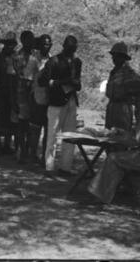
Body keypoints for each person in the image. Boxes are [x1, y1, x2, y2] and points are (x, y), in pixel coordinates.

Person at [87, 79, 140, 204]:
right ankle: (127, 189)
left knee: (114, 158)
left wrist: (114, 137)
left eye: (134, 98)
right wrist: (122, 133)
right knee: (122, 155)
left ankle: (99, 197)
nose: (132, 102)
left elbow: (138, 140)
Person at [38, 35, 82, 177]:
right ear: (64, 46)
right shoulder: (54, 61)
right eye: (70, 47)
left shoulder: (77, 62)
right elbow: (42, 80)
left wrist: (74, 83)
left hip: (71, 100)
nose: (72, 50)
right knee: (52, 135)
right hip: (56, 101)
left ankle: (65, 167)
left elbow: (78, 83)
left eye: (74, 48)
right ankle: (49, 166)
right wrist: (60, 82)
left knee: (70, 136)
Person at [0, 31, 19, 155]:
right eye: (8, 44)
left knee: (10, 119)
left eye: (12, 44)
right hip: (0, 91)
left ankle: (7, 144)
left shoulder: (17, 58)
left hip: (13, 92)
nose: (10, 46)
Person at [12, 30, 41, 163]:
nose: (31, 42)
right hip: (22, 92)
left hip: (33, 92)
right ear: (23, 41)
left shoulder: (35, 55)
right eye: (29, 39)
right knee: (22, 124)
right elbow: (18, 76)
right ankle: (21, 151)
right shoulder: (19, 56)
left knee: (31, 124)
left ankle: (30, 151)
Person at [104, 42, 140, 132]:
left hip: (123, 108)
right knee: (108, 136)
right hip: (111, 107)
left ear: (122, 58)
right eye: (113, 56)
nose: (113, 58)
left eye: (116, 56)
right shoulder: (113, 72)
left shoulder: (129, 73)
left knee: (121, 138)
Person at [29, 34, 53, 165]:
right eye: (44, 44)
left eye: (49, 44)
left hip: (49, 99)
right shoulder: (34, 59)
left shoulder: (52, 59)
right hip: (36, 97)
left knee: (48, 129)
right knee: (35, 129)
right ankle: (32, 155)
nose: (47, 46)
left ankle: (45, 156)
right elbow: (28, 78)